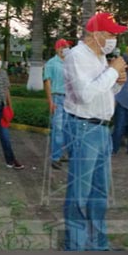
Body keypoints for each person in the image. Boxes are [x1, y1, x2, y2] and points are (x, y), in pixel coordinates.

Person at [62, 12, 128, 251]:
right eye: (111, 34)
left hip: (101, 128)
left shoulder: (99, 57)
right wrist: (113, 71)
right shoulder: (77, 56)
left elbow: (103, 93)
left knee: (99, 191)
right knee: (79, 193)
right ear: (95, 33)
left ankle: (98, 244)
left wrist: (117, 82)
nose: (114, 39)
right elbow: (84, 95)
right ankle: (75, 246)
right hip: (83, 128)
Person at [44, 39, 72, 169]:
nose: (65, 49)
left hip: (69, 99)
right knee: (58, 129)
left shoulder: (70, 63)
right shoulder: (51, 63)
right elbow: (47, 82)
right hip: (57, 98)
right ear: (57, 48)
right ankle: (55, 157)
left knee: (67, 129)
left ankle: (62, 154)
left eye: (67, 47)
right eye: (62, 46)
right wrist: (50, 101)